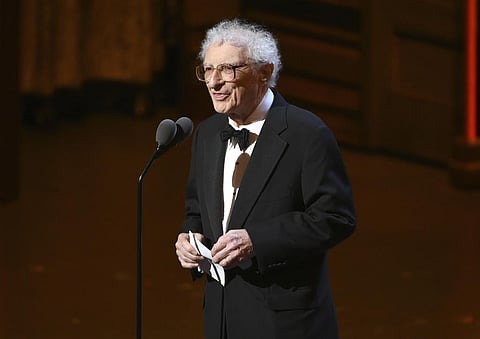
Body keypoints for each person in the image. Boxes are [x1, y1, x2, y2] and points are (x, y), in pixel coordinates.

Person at [175, 18, 356, 339]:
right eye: (207, 70)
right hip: (222, 317)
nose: (214, 83)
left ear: (265, 72)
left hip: (284, 320)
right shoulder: (207, 133)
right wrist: (189, 239)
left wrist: (256, 241)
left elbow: (335, 218)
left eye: (228, 69)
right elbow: (196, 211)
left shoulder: (307, 133)